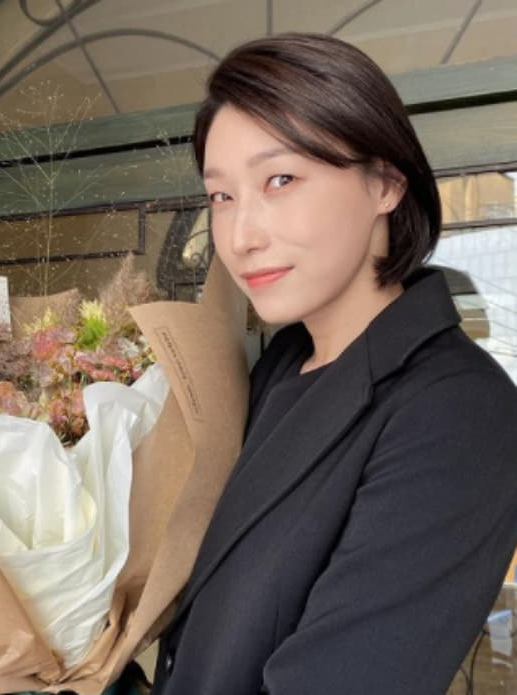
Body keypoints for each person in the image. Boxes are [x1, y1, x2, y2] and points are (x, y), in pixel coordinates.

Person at [150, 33, 517, 695]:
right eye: (221, 196)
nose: (240, 236)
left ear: (386, 182)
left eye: (281, 180)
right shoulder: (277, 366)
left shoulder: (459, 413)